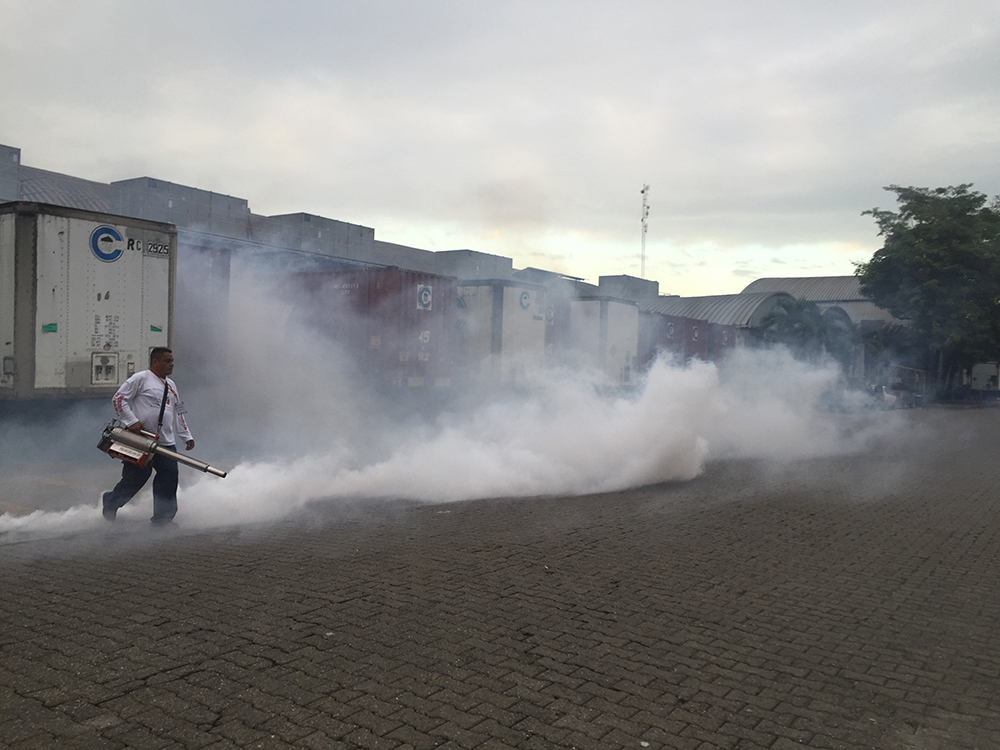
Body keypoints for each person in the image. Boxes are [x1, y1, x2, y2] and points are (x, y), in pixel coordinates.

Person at [102, 347, 195, 526]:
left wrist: (186, 436)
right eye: (167, 361)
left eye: (172, 361)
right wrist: (131, 421)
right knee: (134, 480)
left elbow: (179, 411)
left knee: (168, 480)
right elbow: (119, 399)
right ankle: (111, 501)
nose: (172, 364)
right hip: (140, 441)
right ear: (155, 362)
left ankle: (163, 519)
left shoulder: (172, 386)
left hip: (165, 443)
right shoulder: (141, 378)